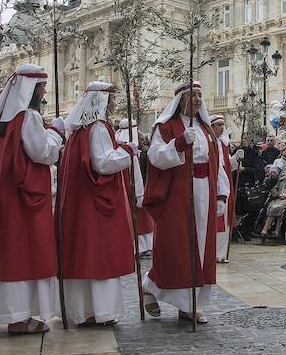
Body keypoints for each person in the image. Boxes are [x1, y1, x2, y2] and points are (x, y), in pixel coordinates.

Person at [0, 63, 64, 334]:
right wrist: (56, 134)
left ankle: (16, 313)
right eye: (41, 86)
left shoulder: (6, 119)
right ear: (31, 89)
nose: (44, 91)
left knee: (12, 249)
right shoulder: (28, 117)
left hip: (9, 194)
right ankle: (19, 316)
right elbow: (42, 152)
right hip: (25, 196)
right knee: (26, 250)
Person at [142, 81, 227, 324]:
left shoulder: (207, 129)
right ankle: (151, 285)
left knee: (200, 247)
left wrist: (221, 193)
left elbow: (217, 163)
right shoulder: (166, 126)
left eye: (200, 96)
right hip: (179, 194)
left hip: (205, 192)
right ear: (181, 100)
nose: (198, 100)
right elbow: (156, 156)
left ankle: (191, 304)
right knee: (176, 248)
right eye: (193, 96)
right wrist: (179, 143)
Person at [59, 82, 138, 327]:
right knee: (99, 254)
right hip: (96, 204)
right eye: (111, 100)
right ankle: (101, 311)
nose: (113, 104)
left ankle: (85, 310)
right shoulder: (99, 128)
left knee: (84, 253)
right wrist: (128, 151)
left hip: (81, 203)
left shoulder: (79, 130)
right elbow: (102, 163)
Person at [116, 119, 154, 256]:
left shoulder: (118, 146)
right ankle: (140, 246)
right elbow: (137, 173)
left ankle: (139, 246)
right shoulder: (130, 150)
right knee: (138, 219)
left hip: (126, 188)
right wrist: (139, 194)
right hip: (133, 188)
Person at [209, 114, 243, 263]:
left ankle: (221, 254)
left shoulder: (224, 143)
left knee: (225, 218)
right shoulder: (208, 142)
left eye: (223, 124)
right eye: (219, 125)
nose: (222, 127)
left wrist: (236, 158)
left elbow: (230, 165)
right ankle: (211, 253)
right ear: (211, 127)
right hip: (213, 183)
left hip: (225, 182)